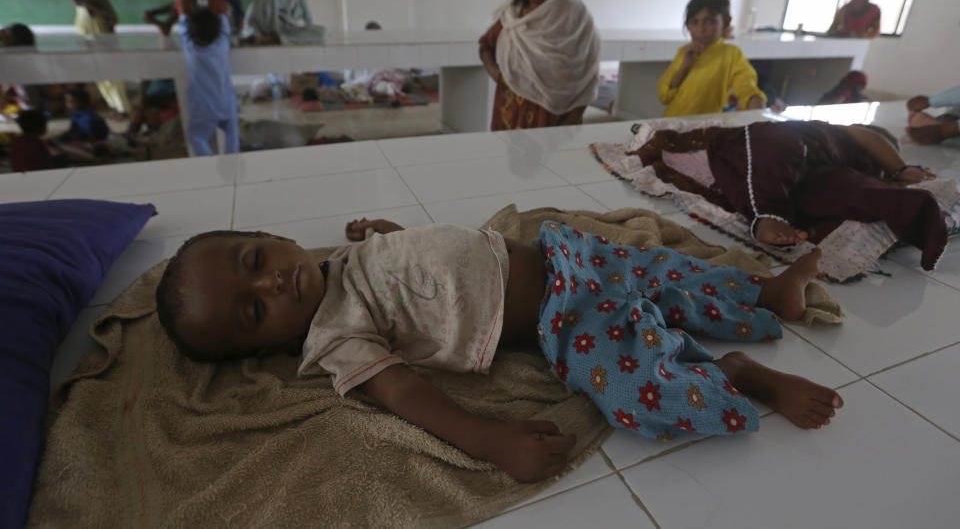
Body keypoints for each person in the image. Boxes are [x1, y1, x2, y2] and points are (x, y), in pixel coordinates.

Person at [154, 217, 844, 483]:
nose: (272, 280)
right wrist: (488, 441)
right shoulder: (336, 334)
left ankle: (763, 294)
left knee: (665, 271)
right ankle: (733, 371)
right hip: (562, 315)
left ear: (271, 234)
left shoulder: (343, 257)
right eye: (255, 307)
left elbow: (414, 267)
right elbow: (403, 393)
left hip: (559, 250)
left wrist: (384, 232)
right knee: (635, 392)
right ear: (269, 344)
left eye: (254, 258)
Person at [632, 120, 946, 270]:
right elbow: (869, 138)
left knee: (836, 188)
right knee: (774, 152)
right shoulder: (843, 133)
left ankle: (908, 206)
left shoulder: (853, 164)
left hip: (816, 170)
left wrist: (889, 178)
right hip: (789, 141)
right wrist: (901, 168)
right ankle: (769, 212)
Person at [478, 0, 601, 131]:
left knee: (554, 161)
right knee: (506, 159)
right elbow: (485, 45)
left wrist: (575, 117)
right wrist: (498, 74)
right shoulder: (513, 17)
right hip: (509, 114)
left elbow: (589, 73)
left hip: (558, 118)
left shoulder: (577, 20)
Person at [658, 0, 766, 117]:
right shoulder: (684, 52)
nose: (700, 30)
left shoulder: (731, 54)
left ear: (726, 22)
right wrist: (684, 67)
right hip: (669, 124)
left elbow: (747, 88)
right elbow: (664, 96)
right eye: (694, 22)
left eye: (709, 21)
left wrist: (761, 114)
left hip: (704, 130)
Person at [58, 0, 130, 115]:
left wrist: (88, 5)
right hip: (83, 28)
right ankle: (114, 105)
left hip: (97, 29)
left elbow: (103, 12)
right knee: (97, 70)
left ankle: (123, 108)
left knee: (109, 68)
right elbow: (78, 5)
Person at [179, 8, 239, 156]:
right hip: (226, 103)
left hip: (202, 107)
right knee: (232, 137)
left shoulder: (190, 49)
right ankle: (233, 164)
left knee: (197, 136)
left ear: (191, 32)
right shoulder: (222, 45)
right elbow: (224, 24)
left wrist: (184, 13)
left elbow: (183, 26)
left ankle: (209, 164)